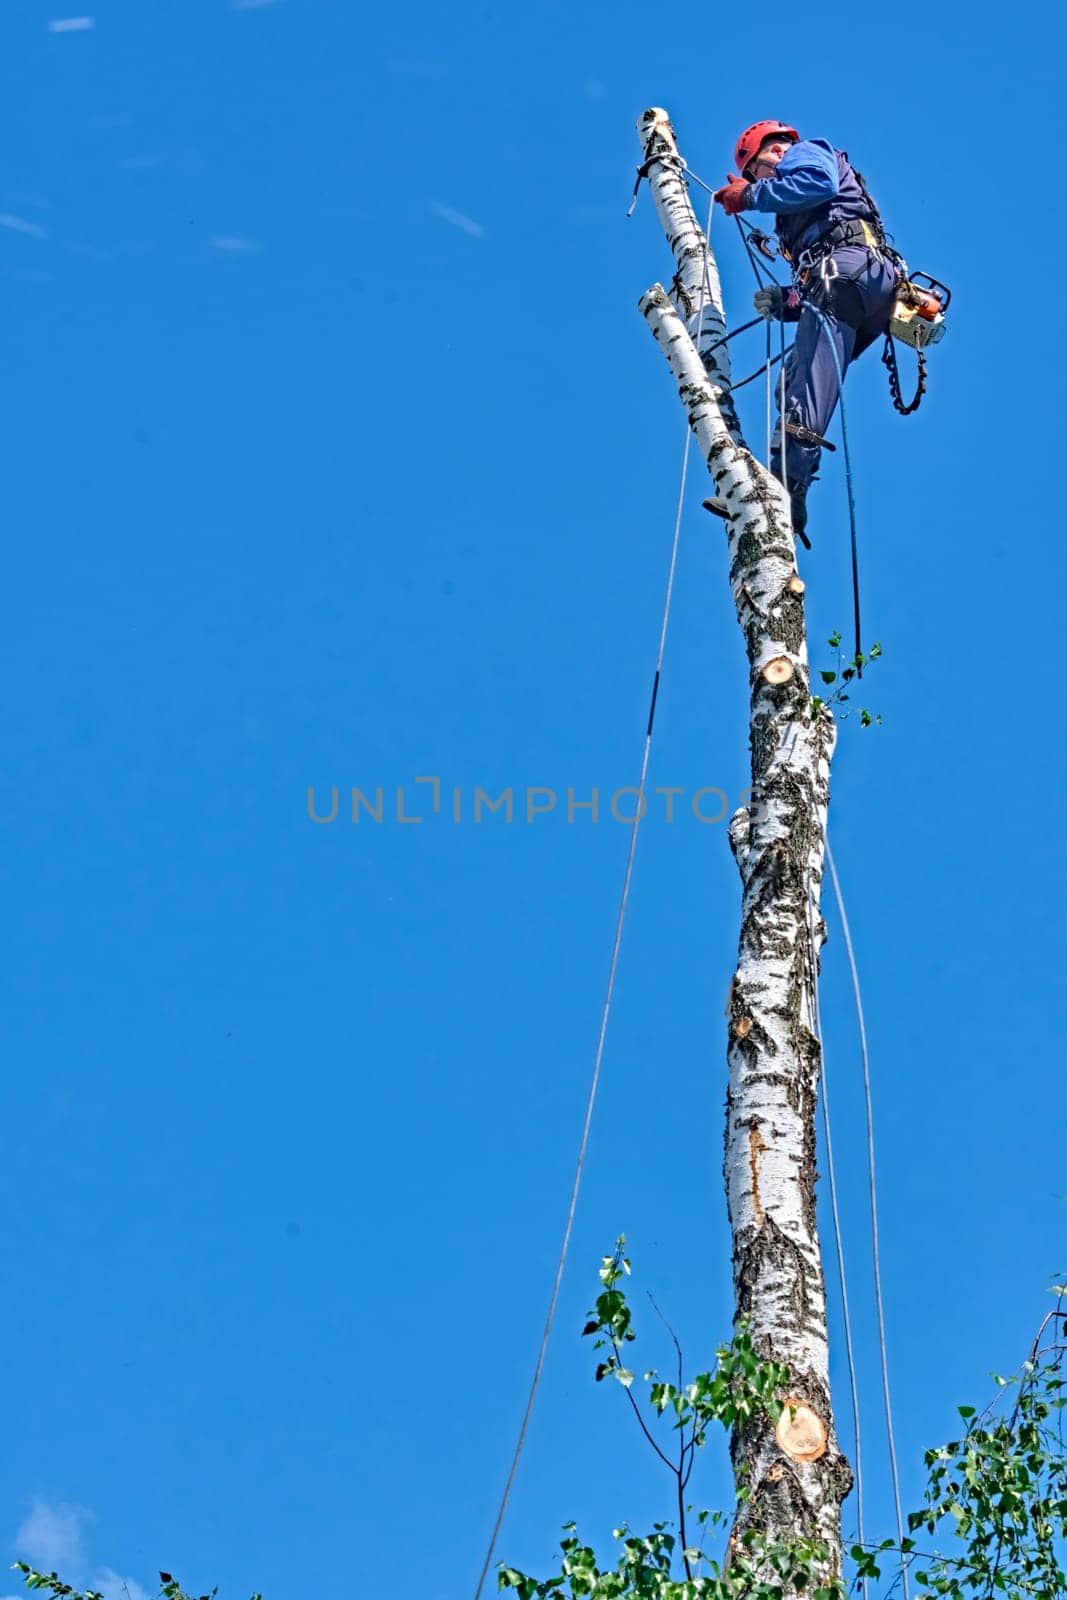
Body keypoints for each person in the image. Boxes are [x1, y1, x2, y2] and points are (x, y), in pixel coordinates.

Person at [710, 122, 900, 542]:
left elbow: (818, 182)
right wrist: (785, 301)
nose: (761, 182)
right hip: (856, 285)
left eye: (758, 172)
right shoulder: (800, 218)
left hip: (848, 273)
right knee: (792, 380)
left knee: (804, 393)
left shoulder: (803, 155)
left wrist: (750, 196)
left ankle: (780, 485)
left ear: (771, 153)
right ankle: (791, 486)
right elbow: (818, 269)